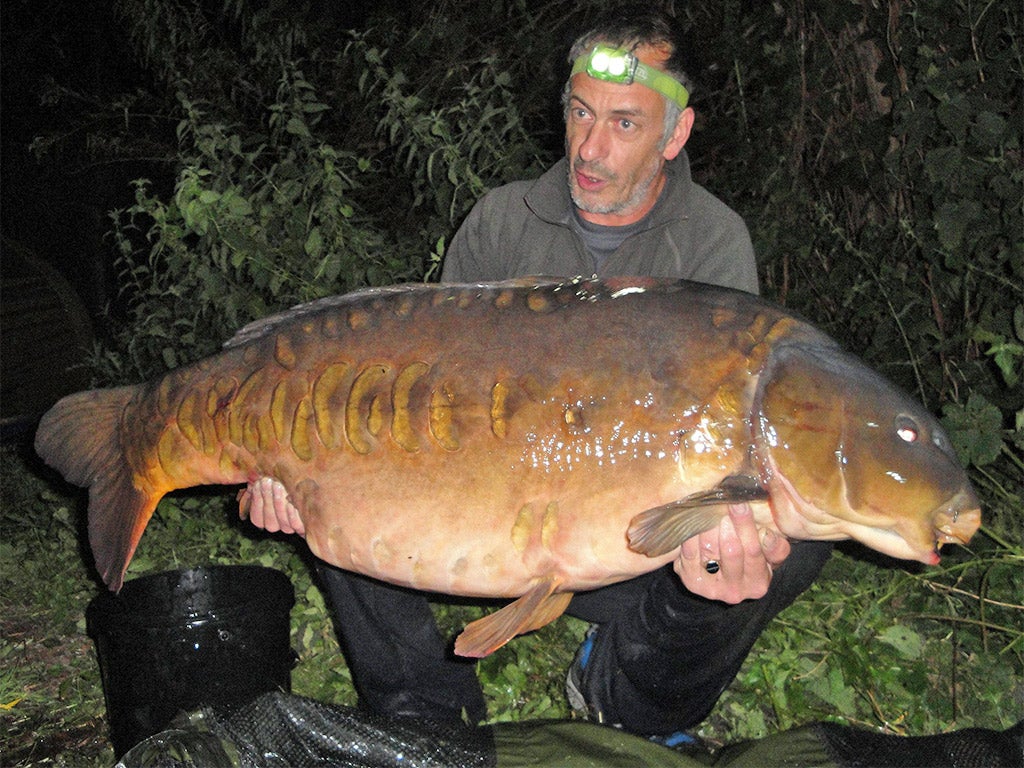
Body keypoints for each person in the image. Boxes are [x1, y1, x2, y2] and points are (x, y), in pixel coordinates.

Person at [245, 7, 833, 742]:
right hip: (487, 523)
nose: (589, 148)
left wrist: (723, 539)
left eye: (624, 124)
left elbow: (725, 436)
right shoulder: (499, 222)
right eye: (581, 113)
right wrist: (296, 475)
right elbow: (428, 396)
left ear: (675, 135)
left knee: (784, 534)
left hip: (629, 553)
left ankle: (627, 687)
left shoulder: (713, 243)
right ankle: (424, 705)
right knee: (338, 477)